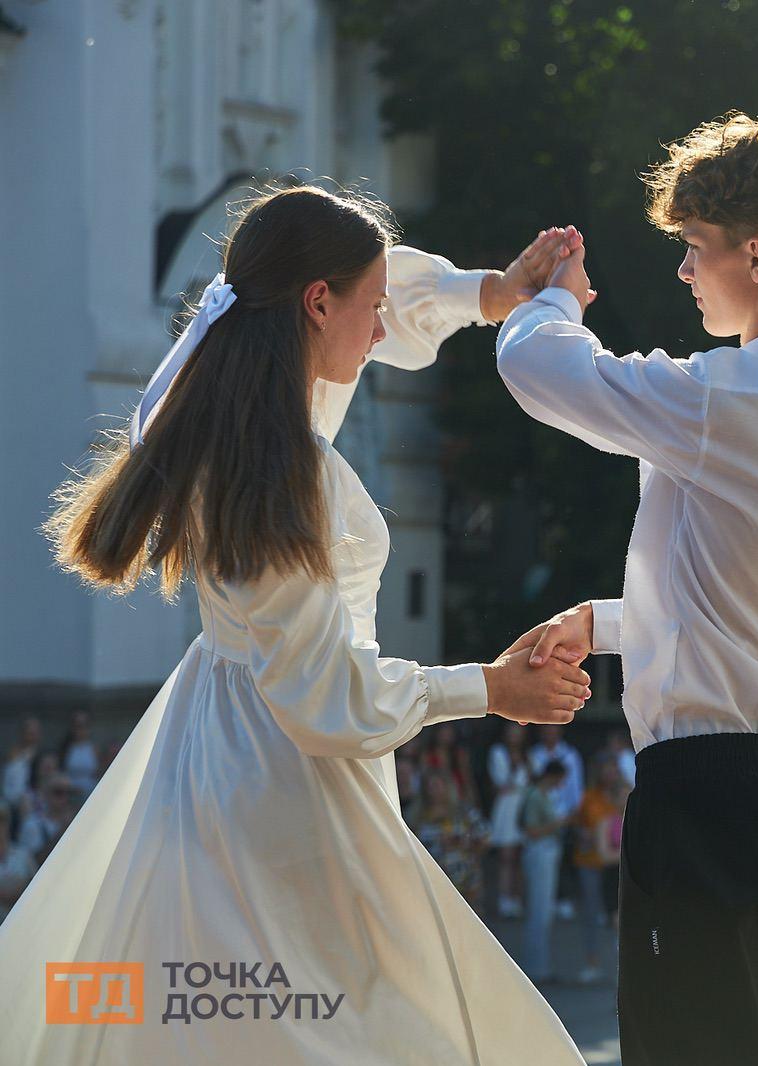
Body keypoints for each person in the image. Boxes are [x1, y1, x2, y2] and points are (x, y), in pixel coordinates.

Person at [0, 185, 590, 1064]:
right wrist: (489, 688)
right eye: (372, 310)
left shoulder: (261, 423)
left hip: (225, 756)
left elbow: (371, 283)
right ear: (318, 303)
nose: (384, 329)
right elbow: (322, 696)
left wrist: (489, 293)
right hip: (282, 783)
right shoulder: (282, 469)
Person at [506, 111, 758, 1065]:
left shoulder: (727, 397)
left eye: (695, 249)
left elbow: (536, 369)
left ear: (757, 257)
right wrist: (604, 624)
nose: (686, 272)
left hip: (709, 811)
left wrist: (546, 299)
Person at [572, 755, 626, 983]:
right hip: (592, 863)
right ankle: (592, 961)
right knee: (593, 915)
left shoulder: (627, 800)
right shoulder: (589, 798)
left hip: (617, 869)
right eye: (606, 769)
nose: (610, 774)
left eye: (613, 769)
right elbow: (578, 824)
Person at [412, 767, 489, 910]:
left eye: (438, 785)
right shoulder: (417, 818)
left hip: (467, 881)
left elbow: (485, 838)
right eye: (430, 786)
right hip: (433, 884)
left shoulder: (464, 812)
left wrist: (462, 842)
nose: (434, 790)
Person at [520, 762, 569, 983]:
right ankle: (536, 967)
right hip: (540, 852)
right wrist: (559, 823)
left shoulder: (543, 794)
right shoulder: (536, 796)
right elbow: (532, 830)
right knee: (539, 910)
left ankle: (541, 965)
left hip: (547, 851)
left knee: (543, 909)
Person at [487, 721, 533, 917]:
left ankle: (517, 899)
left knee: (519, 856)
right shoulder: (498, 752)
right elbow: (501, 782)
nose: (515, 736)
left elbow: (532, 780)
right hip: (506, 807)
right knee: (506, 856)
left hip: (523, 807)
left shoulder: (528, 755)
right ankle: (504, 899)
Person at [0, 805, 35, 925]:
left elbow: (36, 889)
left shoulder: (23, 856)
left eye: (2, 820)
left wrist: (22, 888)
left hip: (24, 925)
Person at [2, 718, 41, 807]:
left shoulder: (42, 755)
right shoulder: (12, 755)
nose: (32, 736)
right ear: (22, 733)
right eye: (30, 733)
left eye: (35, 733)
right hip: (9, 797)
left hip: (32, 799)